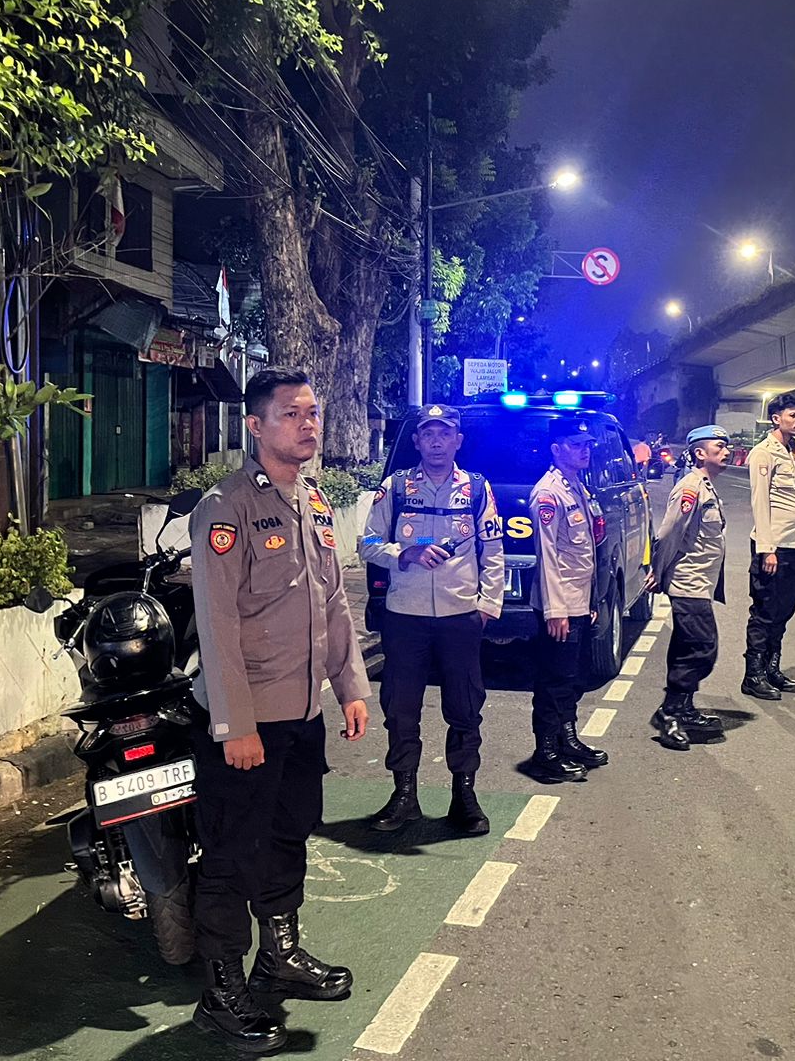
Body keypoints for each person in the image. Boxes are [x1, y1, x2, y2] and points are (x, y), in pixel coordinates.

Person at [186, 366, 372, 1053]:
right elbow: (217, 625)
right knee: (232, 853)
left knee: (289, 836)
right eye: (291, 414)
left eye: (312, 412)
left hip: (301, 713)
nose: (307, 424)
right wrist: (235, 726)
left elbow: (333, 600)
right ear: (256, 425)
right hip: (248, 722)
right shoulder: (226, 508)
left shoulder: (314, 502)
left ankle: (279, 957)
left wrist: (350, 685)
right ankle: (219, 993)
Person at [359, 404, 504, 836]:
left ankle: (464, 796)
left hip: (461, 617)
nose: (437, 442)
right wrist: (403, 553)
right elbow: (367, 543)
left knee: (465, 708)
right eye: (428, 434)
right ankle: (404, 795)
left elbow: (492, 551)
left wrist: (487, 606)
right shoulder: (396, 487)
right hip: (406, 617)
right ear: (417, 441)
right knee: (401, 708)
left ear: (458, 441)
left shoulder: (477, 488)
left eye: (445, 434)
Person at [525, 416, 607, 783]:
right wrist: (555, 611)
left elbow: (586, 554)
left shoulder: (577, 487)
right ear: (556, 449)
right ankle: (546, 752)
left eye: (587, 445)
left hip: (578, 602)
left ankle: (567, 740)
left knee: (573, 677)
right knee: (553, 680)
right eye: (576, 445)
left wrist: (589, 603)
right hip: (559, 606)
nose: (584, 450)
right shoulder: (548, 493)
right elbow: (548, 557)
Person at [646, 424, 730, 751]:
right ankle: (670, 711)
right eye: (719, 447)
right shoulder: (690, 488)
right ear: (700, 453)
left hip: (699, 582)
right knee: (703, 647)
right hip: (687, 582)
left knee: (686, 647)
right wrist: (657, 571)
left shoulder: (705, 486)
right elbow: (668, 534)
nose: (726, 452)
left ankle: (683, 709)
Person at [743, 394, 795, 701]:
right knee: (765, 611)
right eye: (792, 415)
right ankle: (753, 675)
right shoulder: (763, 453)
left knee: (784, 609)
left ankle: (771, 669)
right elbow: (760, 502)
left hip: (791, 544)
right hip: (773, 546)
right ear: (776, 418)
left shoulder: (788, 451)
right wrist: (766, 549)